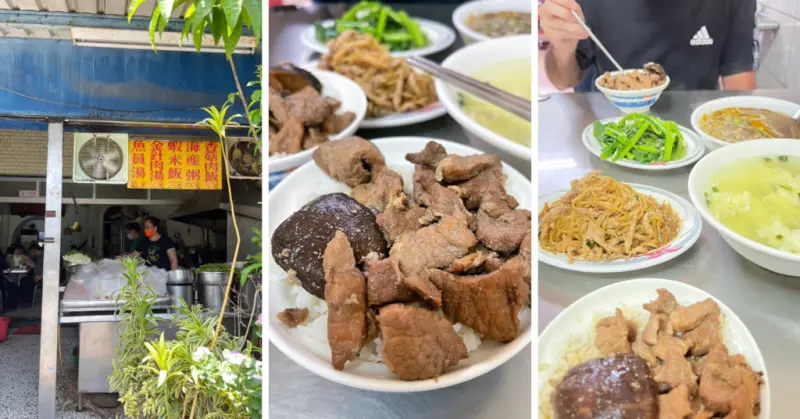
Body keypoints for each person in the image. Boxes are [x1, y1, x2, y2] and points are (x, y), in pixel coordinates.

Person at [540, 0, 757, 92]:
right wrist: (562, 47)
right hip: (611, 130)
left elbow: (739, 75)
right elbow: (563, 80)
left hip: (696, 130)